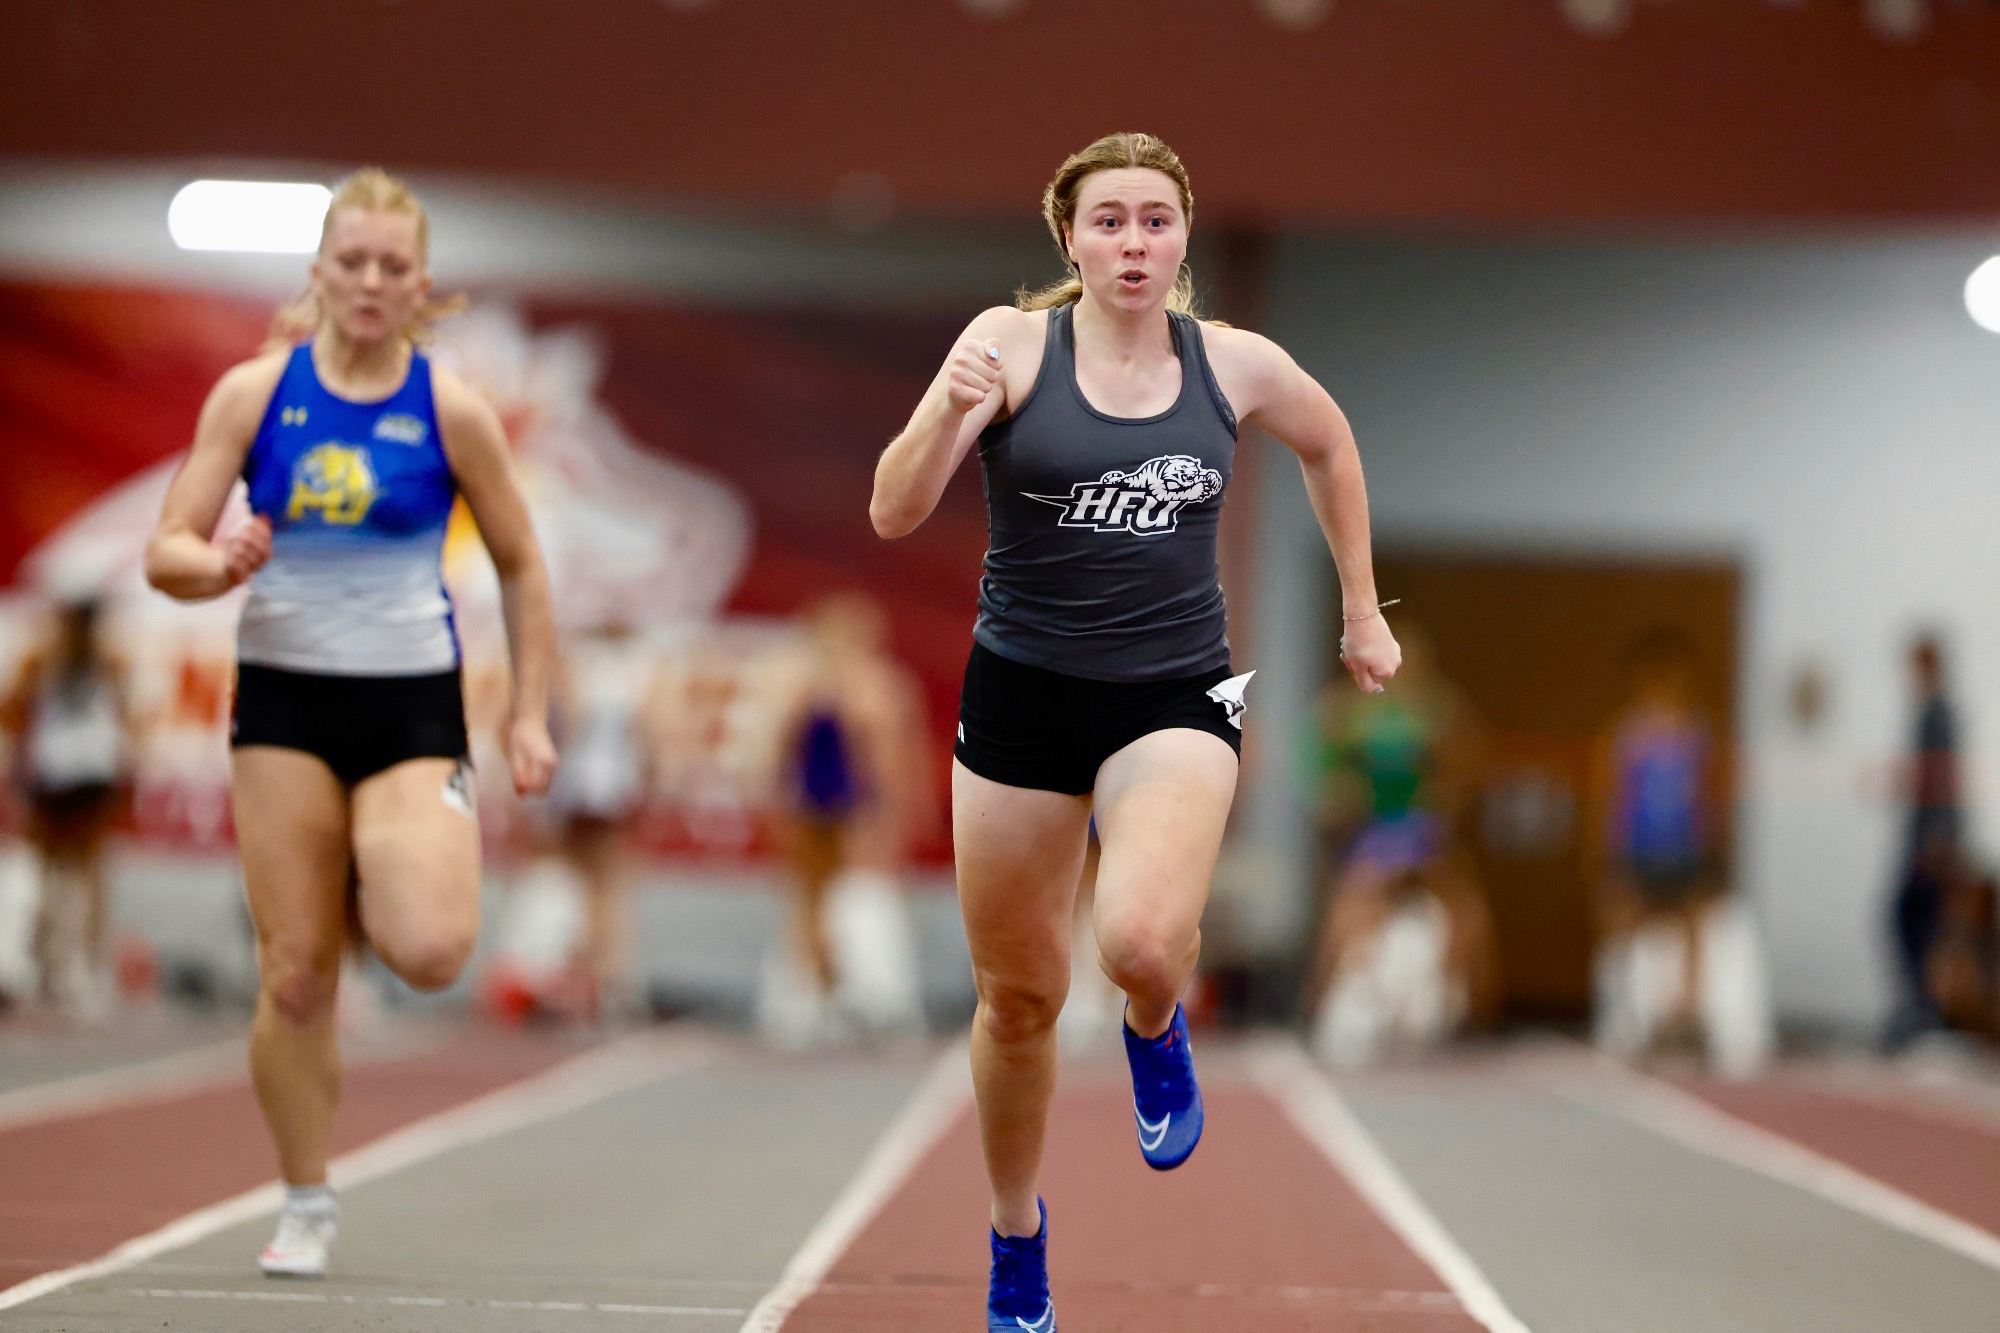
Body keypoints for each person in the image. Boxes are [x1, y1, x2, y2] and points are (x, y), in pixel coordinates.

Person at [868, 132, 1398, 1333]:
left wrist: (1361, 610)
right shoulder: (1003, 347)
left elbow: (1329, 442)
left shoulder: (1234, 364)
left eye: (1154, 220)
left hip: (1176, 693)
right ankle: (1015, 1238)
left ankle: (1156, 1024)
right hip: (1020, 699)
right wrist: (940, 419)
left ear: (1182, 238)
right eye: (1108, 221)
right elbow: (893, 512)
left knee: (1144, 942)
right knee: (1017, 999)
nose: (1132, 243)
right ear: (1069, 236)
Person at [143, 168, 557, 1280]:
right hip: (283, 700)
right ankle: (308, 1196)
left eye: (392, 266)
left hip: (409, 700)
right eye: (352, 261)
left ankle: (391, 851)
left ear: (420, 284)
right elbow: (164, 550)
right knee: (292, 974)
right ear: (319, 271)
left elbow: (521, 562)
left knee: (426, 949)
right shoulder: (252, 393)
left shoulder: (448, 408)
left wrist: (527, 713)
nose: (370, 282)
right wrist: (215, 560)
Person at [1310, 631, 1496, 1065]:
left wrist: (1446, 801)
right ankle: (1320, 997)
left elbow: (1469, 759)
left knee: (1466, 915)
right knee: (1352, 909)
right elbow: (1322, 764)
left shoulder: (1438, 709)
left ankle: (1472, 1009)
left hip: (1422, 833)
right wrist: (1340, 802)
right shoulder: (1349, 711)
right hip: (1373, 835)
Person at [1, 597, 135, 1018]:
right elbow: (13, 714)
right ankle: (53, 965)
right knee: (60, 874)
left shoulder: (100, 662)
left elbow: (125, 718)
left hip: (82, 776)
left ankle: (74, 966)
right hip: (60, 776)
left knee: (78, 874)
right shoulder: (46, 662)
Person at [1885, 633, 1964, 1048]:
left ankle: (1927, 1011)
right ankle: (1922, 1009)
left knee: (1914, 923)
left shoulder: (1939, 713)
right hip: (1925, 838)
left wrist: (1938, 843)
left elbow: (1943, 781)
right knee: (1914, 924)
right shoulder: (1929, 710)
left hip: (1930, 844)